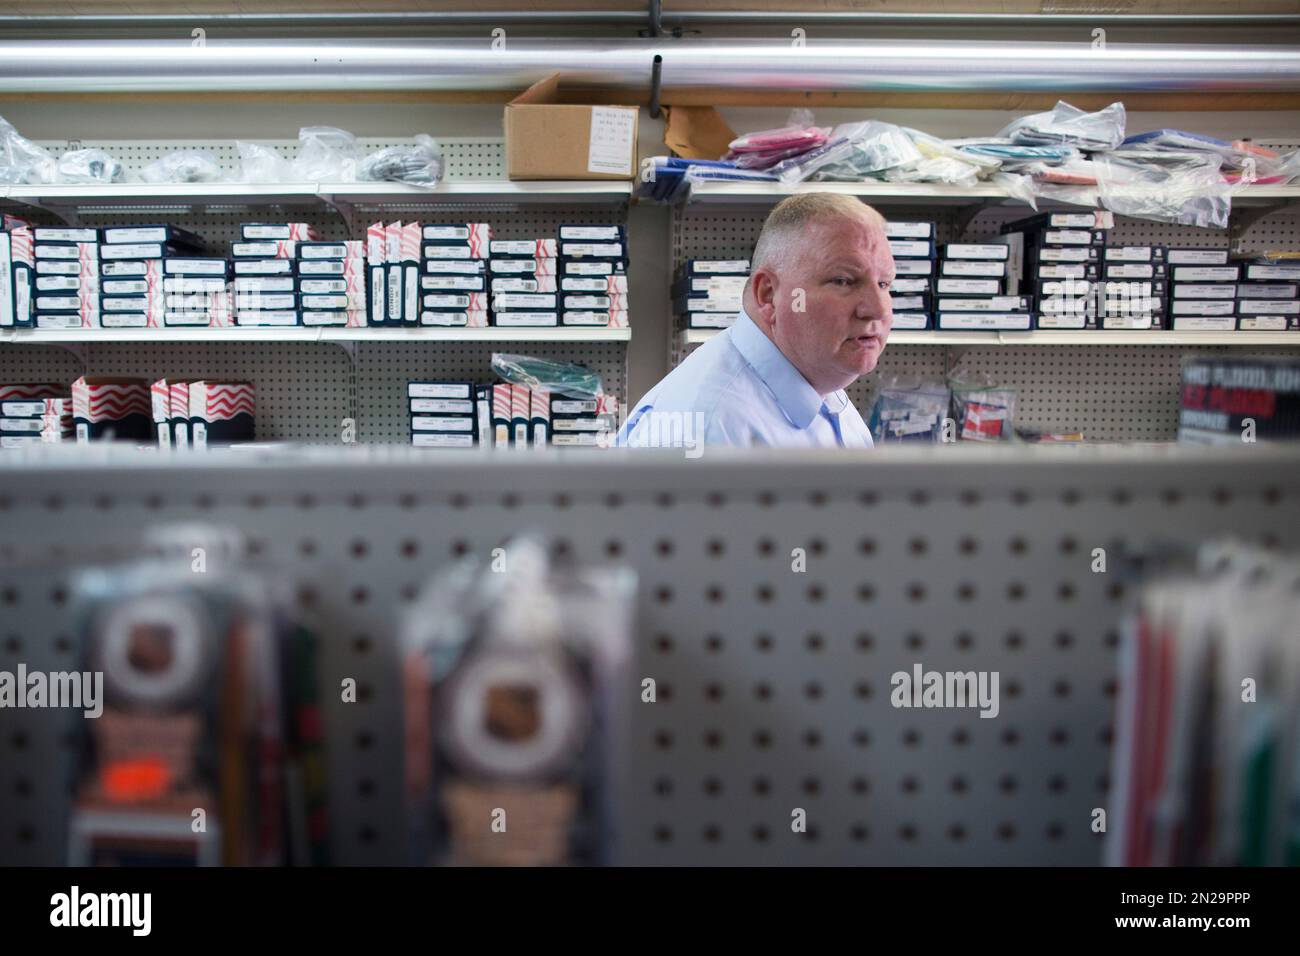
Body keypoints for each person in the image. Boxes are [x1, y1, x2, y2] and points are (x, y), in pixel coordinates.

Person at [618, 192, 895, 449]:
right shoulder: (709, 428)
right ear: (769, 294)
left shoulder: (825, 390)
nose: (878, 309)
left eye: (884, 283)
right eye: (843, 281)